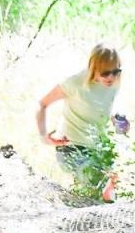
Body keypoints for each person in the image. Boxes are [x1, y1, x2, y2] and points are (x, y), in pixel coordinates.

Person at [35, 41, 122, 203]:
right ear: (93, 68)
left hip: (99, 149)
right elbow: (42, 104)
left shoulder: (114, 83)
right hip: (72, 149)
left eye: (116, 71)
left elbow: (102, 107)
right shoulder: (75, 84)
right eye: (105, 73)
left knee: (113, 186)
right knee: (96, 185)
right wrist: (44, 137)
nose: (111, 77)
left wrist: (117, 121)